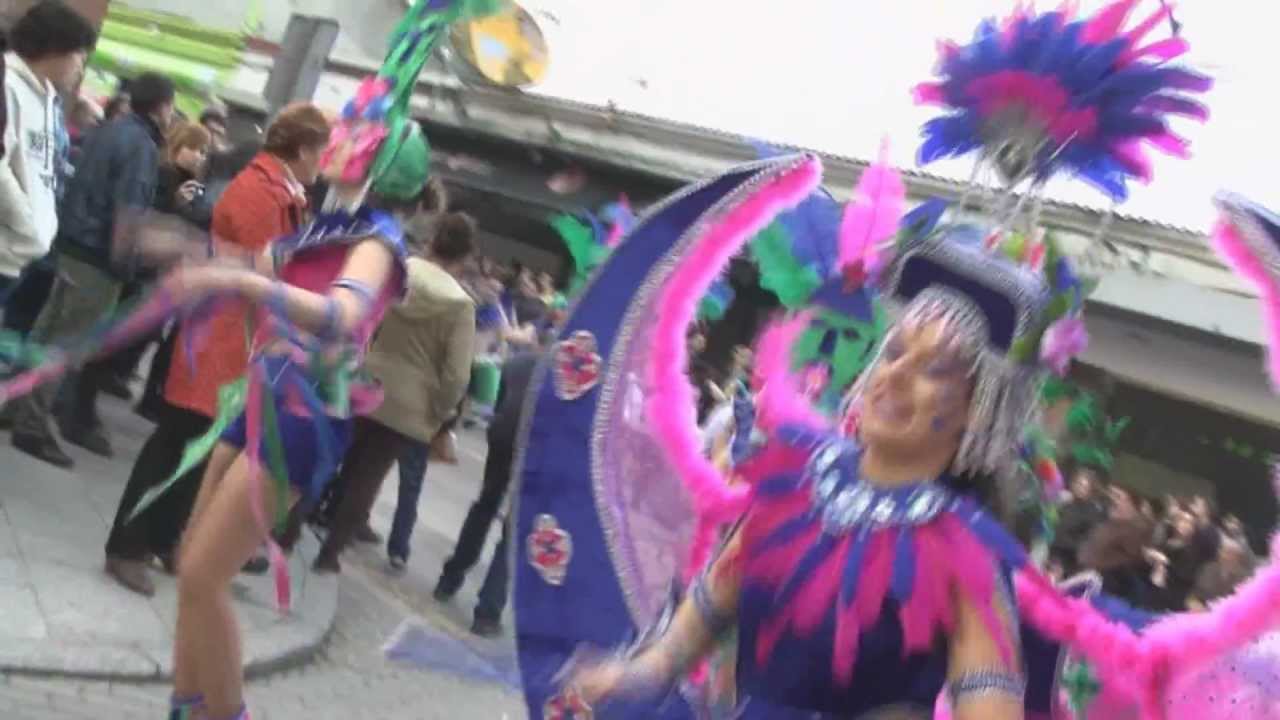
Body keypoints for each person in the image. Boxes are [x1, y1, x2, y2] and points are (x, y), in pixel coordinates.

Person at [101, 105, 330, 597]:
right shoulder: (260, 189)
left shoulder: (280, 189)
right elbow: (244, 266)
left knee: (200, 447)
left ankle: (164, 538)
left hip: (239, 338)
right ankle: (127, 545)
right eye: (322, 152)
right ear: (306, 149)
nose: (323, 163)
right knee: (174, 443)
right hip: (219, 336)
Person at [7, 72, 175, 468]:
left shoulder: (107, 131)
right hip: (99, 259)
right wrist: (126, 264)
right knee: (67, 345)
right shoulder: (141, 146)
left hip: (70, 247)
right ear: (162, 106)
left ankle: (14, 406)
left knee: (45, 332)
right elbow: (128, 209)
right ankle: (32, 425)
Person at [312, 210, 477, 574]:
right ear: (465, 257)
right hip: (407, 404)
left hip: (362, 377)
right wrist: (439, 411)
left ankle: (288, 532)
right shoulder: (461, 305)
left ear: (432, 238)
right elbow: (456, 374)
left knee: (329, 456)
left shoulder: (400, 270)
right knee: (368, 479)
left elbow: (364, 315)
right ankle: (329, 556)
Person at [435, 331, 549, 636]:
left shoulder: (519, 362)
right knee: (515, 530)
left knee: (486, 504)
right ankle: (487, 611)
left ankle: (450, 577)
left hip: (503, 438)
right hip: (540, 450)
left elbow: (501, 406)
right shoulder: (577, 384)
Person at [0, 0, 96, 302]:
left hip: (18, 258)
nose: (81, 66)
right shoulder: (8, 86)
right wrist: (29, 229)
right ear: (56, 48)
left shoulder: (48, 101)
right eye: (79, 55)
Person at [1050, 467, 1107, 577]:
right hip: (1052, 553)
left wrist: (1061, 541)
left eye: (1084, 486)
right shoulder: (1066, 504)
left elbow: (1086, 543)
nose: (1080, 488)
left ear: (1091, 489)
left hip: (1068, 562)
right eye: (1078, 484)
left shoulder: (1092, 513)